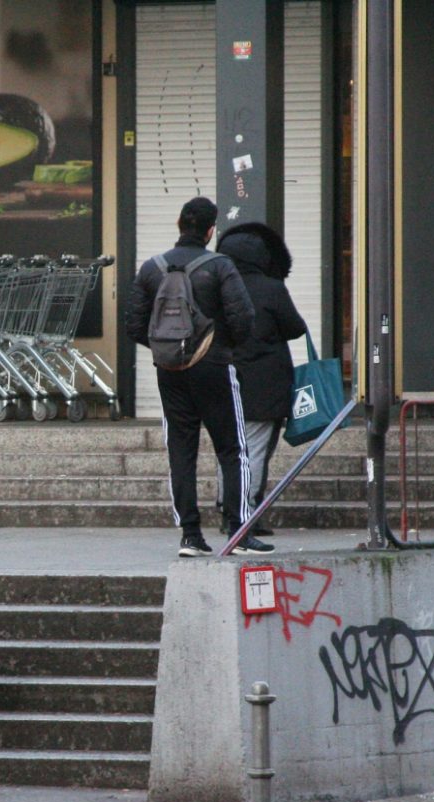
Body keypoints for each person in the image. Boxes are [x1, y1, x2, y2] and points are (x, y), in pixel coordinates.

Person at [125, 196, 273, 556]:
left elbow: (133, 325)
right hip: (214, 367)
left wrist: (169, 350)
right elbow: (244, 318)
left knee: (180, 450)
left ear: (179, 225)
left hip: (170, 371)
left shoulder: (150, 268)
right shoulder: (220, 266)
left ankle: (190, 536)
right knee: (232, 449)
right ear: (210, 231)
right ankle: (238, 533)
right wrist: (221, 348)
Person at [214, 222, 308, 537]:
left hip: (220, 378)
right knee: (254, 449)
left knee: (227, 449)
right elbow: (295, 327)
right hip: (264, 384)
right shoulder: (271, 288)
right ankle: (244, 512)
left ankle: (226, 508)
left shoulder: (214, 285)